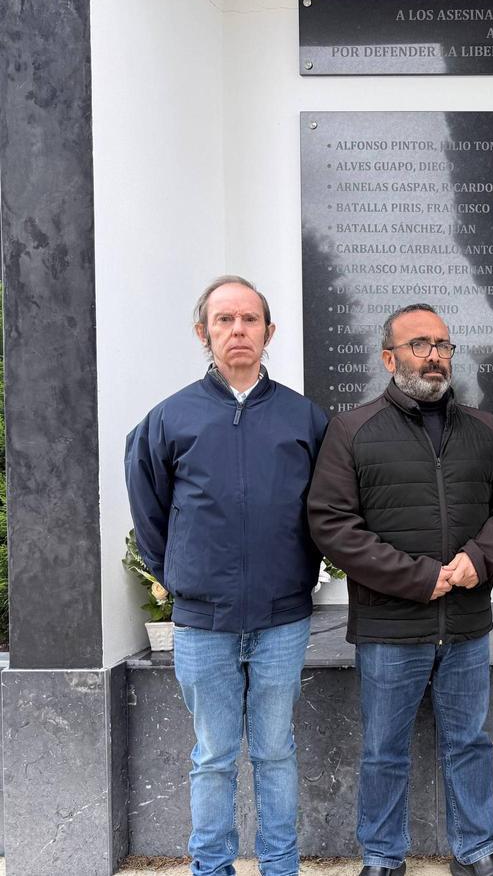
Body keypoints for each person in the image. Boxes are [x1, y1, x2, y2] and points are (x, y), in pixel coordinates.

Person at [307, 303, 493, 876]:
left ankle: (475, 853)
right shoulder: (352, 430)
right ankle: (381, 858)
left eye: (444, 345)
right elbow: (333, 524)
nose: (435, 356)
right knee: (384, 750)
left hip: (466, 624)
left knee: (469, 743)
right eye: (420, 345)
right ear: (389, 357)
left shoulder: (482, 428)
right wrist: (418, 577)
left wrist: (480, 559)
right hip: (389, 626)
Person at [125, 276, 328, 876]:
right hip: (203, 623)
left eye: (249, 320)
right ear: (202, 332)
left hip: (281, 620)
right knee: (212, 756)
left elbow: (325, 510)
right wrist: (183, 576)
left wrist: (298, 575)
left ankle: (279, 865)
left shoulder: (303, 418)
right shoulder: (170, 419)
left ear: (269, 332)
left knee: (274, 752)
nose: (237, 330)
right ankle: (211, 868)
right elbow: (149, 511)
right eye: (223, 320)